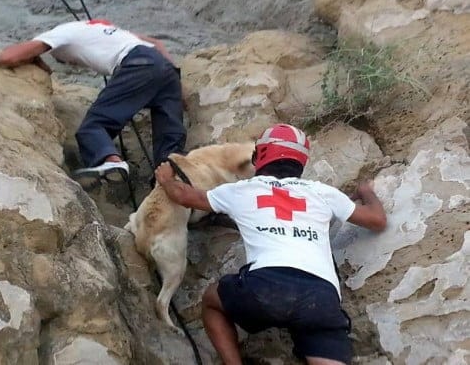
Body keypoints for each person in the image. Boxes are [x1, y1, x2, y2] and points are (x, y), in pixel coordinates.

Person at [154, 123, 387, 365]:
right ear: (301, 162)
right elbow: (377, 220)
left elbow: (186, 196)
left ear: (260, 156)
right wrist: (365, 191)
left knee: (212, 300)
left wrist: (167, 179)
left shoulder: (244, 189)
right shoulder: (322, 192)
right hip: (321, 297)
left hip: (266, 288)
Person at [0, 19, 186, 183]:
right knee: (169, 152)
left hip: (138, 64)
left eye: (66, 60)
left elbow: (8, 57)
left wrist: (32, 55)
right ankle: (180, 188)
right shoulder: (101, 28)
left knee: (94, 126)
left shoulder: (59, 34)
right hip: (167, 70)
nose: (73, 64)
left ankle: (110, 162)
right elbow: (157, 44)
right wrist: (174, 83)